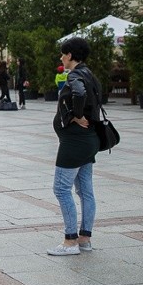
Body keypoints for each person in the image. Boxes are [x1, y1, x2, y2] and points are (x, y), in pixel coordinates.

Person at [48, 37, 101, 256]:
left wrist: (76, 115)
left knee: (61, 189)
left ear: (70, 55)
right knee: (85, 190)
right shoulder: (91, 74)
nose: (61, 57)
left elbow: (79, 94)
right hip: (88, 141)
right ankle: (85, 238)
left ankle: (70, 241)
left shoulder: (76, 75)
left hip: (74, 143)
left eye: (63, 54)